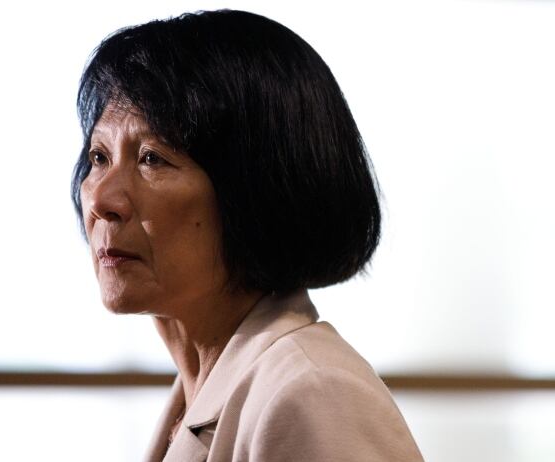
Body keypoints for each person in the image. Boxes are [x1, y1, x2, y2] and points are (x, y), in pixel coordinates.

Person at [71, 9, 424, 462]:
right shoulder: (199, 391)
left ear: (256, 190)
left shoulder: (312, 392)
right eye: (99, 157)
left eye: (151, 158)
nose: (102, 199)